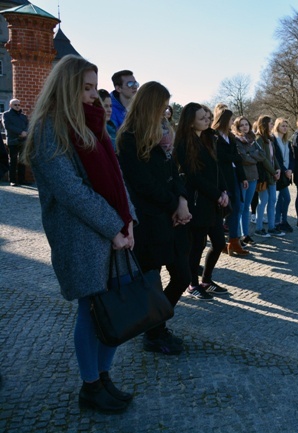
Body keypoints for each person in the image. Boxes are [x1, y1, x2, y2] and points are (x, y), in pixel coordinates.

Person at [26, 55, 136, 412]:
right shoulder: (48, 128)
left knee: (115, 308)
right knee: (92, 310)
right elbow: (71, 191)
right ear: (67, 87)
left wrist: (129, 221)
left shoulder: (93, 124)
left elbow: (117, 178)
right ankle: (90, 386)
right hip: (80, 236)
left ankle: (104, 378)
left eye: (94, 86)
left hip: (111, 233)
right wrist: (114, 227)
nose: (92, 95)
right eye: (85, 88)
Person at [117, 81, 190, 355]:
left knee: (183, 276)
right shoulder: (129, 137)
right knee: (153, 282)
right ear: (150, 104)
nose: (166, 111)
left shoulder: (162, 134)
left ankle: (157, 326)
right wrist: (175, 205)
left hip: (171, 219)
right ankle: (154, 333)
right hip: (150, 222)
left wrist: (182, 200)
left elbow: (175, 173)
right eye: (162, 105)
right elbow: (143, 184)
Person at [175, 103, 230, 299]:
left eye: (208, 117)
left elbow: (217, 168)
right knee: (197, 245)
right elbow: (193, 175)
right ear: (190, 122)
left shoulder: (208, 138)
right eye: (202, 118)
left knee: (218, 242)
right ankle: (193, 284)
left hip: (214, 201)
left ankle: (207, 280)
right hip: (198, 201)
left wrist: (224, 191)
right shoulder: (183, 142)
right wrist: (217, 194)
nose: (208, 120)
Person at [213, 107, 250, 254]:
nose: (232, 122)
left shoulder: (231, 136)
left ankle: (234, 241)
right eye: (230, 119)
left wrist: (243, 177)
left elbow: (236, 159)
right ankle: (221, 242)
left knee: (237, 207)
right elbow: (222, 157)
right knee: (223, 210)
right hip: (222, 177)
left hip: (234, 175)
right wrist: (235, 157)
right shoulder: (214, 136)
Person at [232, 116, 262, 245]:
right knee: (240, 207)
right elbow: (242, 158)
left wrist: (251, 156)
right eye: (241, 125)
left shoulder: (253, 140)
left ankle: (246, 234)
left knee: (247, 208)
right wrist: (252, 156)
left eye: (246, 124)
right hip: (242, 177)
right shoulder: (236, 140)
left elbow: (261, 155)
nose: (245, 127)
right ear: (237, 127)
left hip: (253, 176)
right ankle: (237, 235)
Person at [254, 115, 285, 237]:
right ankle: (259, 228)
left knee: (273, 200)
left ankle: (272, 227)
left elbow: (273, 157)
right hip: (264, 176)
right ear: (264, 124)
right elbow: (263, 159)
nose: (273, 125)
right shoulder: (258, 139)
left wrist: (278, 169)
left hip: (272, 175)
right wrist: (273, 171)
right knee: (263, 201)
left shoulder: (270, 138)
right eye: (271, 123)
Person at [273, 117, 294, 232]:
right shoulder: (274, 140)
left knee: (282, 198)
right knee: (285, 198)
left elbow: (291, 157)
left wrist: (290, 169)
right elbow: (276, 158)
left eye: (286, 126)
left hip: (287, 173)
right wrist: (285, 170)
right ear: (277, 126)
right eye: (282, 126)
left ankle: (282, 221)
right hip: (279, 172)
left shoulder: (287, 142)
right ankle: (278, 221)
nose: (285, 128)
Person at [3, 98, 29, 186]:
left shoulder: (23, 116)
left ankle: (22, 180)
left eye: (18, 105)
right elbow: (8, 126)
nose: (17, 106)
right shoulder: (6, 115)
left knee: (22, 161)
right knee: (13, 161)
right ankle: (12, 180)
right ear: (10, 105)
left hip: (23, 141)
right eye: (15, 105)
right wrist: (20, 132)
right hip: (13, 140)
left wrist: (25, 132)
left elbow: (28, 126)